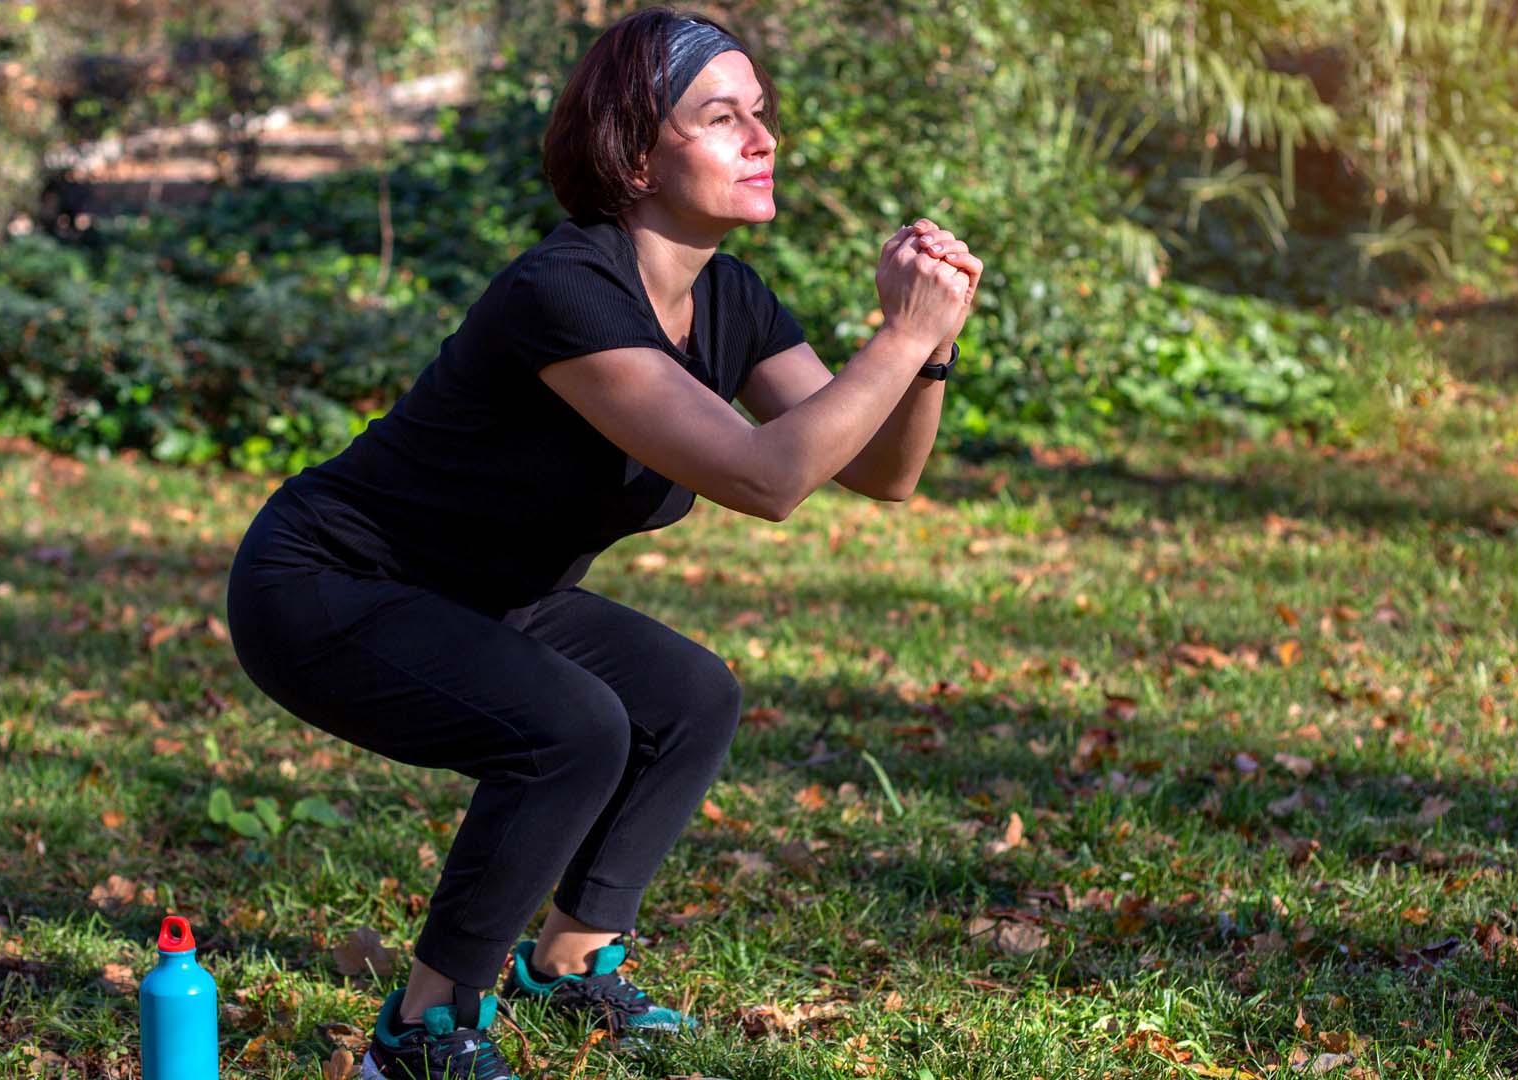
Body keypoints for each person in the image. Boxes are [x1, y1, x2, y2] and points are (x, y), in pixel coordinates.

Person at [223, 7, 982, 1079]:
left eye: (759, 114)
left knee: (688, 698)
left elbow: (880, 473)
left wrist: (929, 351)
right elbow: (767, 479)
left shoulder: (730, 298)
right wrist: (898, 335)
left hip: (485, 592)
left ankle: (569, 962)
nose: (762, 139)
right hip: (326, 586)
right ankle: (423, 1032)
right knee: (569, 727)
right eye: (723, 117)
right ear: (634, 152)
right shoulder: (564, 294)